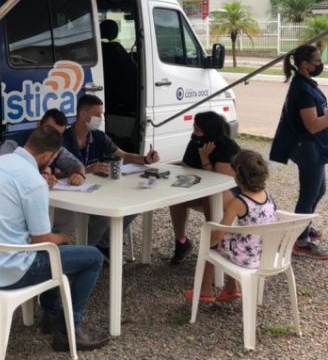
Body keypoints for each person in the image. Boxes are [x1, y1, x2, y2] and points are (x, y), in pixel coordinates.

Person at [0, 126, 109, 351]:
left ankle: (52, 314)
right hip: (13, 269)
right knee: (91, 257)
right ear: (48, 156)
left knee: (53, 255)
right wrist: (65, 237)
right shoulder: (33, 181)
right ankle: (68, 330)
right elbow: (42, 240)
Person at [269, 44, 328, 260]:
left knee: (319, 190)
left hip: (312, 146)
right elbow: (313, 125)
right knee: (309, 194)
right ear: (305, 65)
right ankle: (299, 240)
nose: (320, 64)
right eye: (316, 61)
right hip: (307, 147)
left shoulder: (307, 84)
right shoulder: (302, 89)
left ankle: (304, 225)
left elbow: (320, 115)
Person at [61, 94, 160, 257]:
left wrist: (146, 159)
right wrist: (88, 170)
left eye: (102, 114)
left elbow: (123, 155)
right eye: (97, 114)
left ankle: (103, 246)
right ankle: (85, 252)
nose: (101, 118)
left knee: (134, 204)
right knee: (104, 215)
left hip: (97, 190)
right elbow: (56, 171)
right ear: (83, 114)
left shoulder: (98, 136)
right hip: (72, 193)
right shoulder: (64, 138)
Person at [186, 149, 276, 303]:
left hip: (246, 258)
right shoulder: (267, 195)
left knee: (212, 243)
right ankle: (231, 287)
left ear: (238, 176)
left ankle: (205, 290)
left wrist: (207, 243)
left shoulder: (238, 202)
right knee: (233, 241)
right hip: (264, 253)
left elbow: (220, 233)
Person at [0, 108, 86, 236]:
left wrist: (79, 174)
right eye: (48, 130)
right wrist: (38, 179)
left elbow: (77, 164)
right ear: (38, 125)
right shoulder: (12, 144)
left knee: (71, 217)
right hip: (16, 211)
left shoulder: (56, 147)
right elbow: (2, 175)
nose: (50, 137)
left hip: (45, 204)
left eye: (56, 134)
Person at [169, 111, 240, 265]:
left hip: (229, 195)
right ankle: (181, 242)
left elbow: (219, 183)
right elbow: (185, 167)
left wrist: (204, 158)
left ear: (210, 131)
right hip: (202, 188)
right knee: (176, 198)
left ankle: (214, 243)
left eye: (198, 130)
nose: (194, 133)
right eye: (194, 129)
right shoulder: (195, 142)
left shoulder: (227, 147)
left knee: (211, 198)